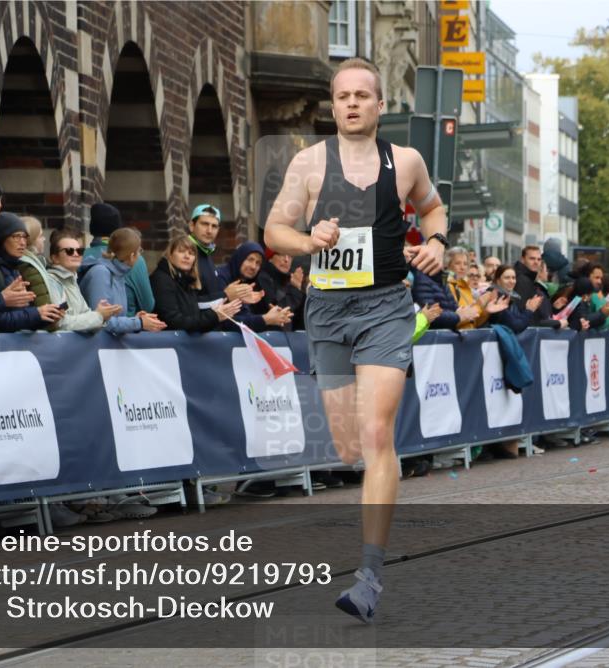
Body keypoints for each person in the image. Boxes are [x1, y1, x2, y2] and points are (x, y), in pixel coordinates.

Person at [264, 57, 448, 623]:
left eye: (362, 95)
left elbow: (434, 208)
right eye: (342, 95)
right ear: (332, 103)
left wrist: (436, 241)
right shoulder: (309, 163)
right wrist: (307, 237)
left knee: (376, 434)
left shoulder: (407, 161)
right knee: (347, 449)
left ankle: (369, 574)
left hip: (388, 308)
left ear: (379, 104)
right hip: (328, 311)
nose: (351, 104)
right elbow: (274, 231)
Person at [0, 212, 64, 333]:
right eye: (16, 236)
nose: (22, 242)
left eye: (25, 237)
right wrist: (36, 314)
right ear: (2, 238)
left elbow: (21, 317)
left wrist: (47, 316)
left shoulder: (15, 267)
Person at [80, 227, 166, 334]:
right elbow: (101, 321)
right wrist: (138, 322)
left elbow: (115, 319)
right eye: (139, 251)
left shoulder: (118, 274)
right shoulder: (100, 273)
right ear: (132, 256)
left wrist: (134, 319)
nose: (140, 255)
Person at [150, 232, 241, 332]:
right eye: (181, 251)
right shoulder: (161, 279)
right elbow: (173, 321)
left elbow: (193, 319)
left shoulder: (187, 282)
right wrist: (214, 316)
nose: (187, 256)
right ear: (170, 255)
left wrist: (216, 314)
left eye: (191, 253)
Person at [81, 203, 155, 316]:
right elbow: (148, 305)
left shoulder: (79, 256)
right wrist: (136, 322)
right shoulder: (135, 259)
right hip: (121, 328)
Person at [46, 230, 122, 332]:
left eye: (80, 251)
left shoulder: (72, 281)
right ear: (55, 258)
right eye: (69, 251)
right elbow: (60, 323)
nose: (76, 254)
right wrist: (98, 316)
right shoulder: (51, 281)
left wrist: (104, 315)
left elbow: (85, 318)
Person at [216, 241, 292, 331]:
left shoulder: (246, 282)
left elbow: (246, 318)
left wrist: (274, 317)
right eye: (250, 259)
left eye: (258, 263)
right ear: (240, 258)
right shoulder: (221, 277)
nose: (253, 266)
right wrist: (266, 319)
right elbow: (226, 322)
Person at [189, 203, 256, 306]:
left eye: (214, 226)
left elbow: (209, 296)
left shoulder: (206, 252)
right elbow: (187, 303)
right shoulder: (185, 254)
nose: (209, 231)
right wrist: (225, 295)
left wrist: (236, 296)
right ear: (192, 226)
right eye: (204, 224)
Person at [513, 245, 564, 329]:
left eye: (539, 259)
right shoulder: (521, 279)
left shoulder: (528, 278)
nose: (536, 262)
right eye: (532, 258)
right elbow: (525, 313)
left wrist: (553, 308)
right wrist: (555, 323)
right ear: (522, 259)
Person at [256, 250, 305, 331]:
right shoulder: (262, 278)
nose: (286, 260)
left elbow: (299, 317)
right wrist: (295, 290)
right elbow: (277, 311)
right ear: (270, 258)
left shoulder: (289, 280)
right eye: (281, 254)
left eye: (290, 256)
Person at [446, 247, 489, 329]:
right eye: (458, 263)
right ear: (448, 265)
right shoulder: (447, 286)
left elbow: (474, 323)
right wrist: (479, 306)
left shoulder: (465, 287)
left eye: (465, 264)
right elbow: (453, 320)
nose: (462, 267)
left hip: (468, 337)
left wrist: (486, 311)